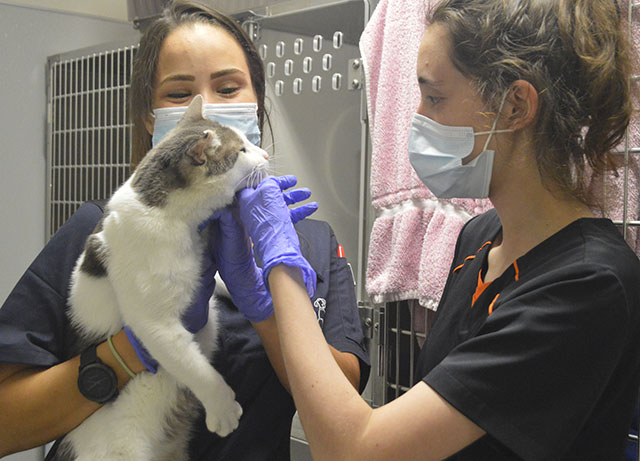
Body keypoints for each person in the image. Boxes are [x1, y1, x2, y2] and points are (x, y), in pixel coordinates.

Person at [219, 0, 640, 459]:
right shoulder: (481, 237)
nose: (416, 118)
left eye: (435, 97)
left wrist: (280, 260)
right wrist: (264, 307)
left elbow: (352, 450)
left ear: (516, 105)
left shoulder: (588, 285)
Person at [0, 1, 369, 459]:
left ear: (259, 105)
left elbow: (345, 407)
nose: (209, 109)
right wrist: (136, 346)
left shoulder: (305, 244)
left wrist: (264, 300)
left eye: (229, 87)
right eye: (179, 94)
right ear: (151, 120)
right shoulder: (103, 234)